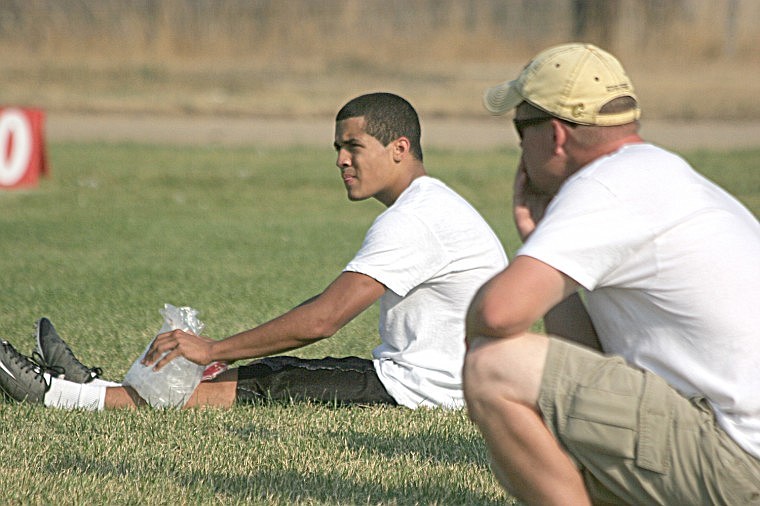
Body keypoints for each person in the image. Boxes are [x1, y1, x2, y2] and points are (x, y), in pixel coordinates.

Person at [0, 92, 507, 411]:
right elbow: (328, 304)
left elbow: (322, 320)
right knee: (263, 375)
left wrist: (213, 349)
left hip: (428, 394)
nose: (341, 160)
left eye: (353, 146)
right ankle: (90, 385)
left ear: (399, 148)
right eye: (337, 148)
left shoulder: (414, 218)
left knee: (257, 385)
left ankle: (59, 396)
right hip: (429, 381)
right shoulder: (427, 205)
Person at [462, 43, 760, 505]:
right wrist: (539, 244)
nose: (520, 149)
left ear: (556, 136)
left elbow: (498, 315)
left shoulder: (606, 186)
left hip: (737, 460)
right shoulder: (657, 173)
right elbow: (590, 365)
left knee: (492, 366)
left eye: (522, 129)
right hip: (734, 448)